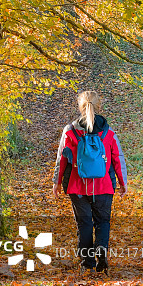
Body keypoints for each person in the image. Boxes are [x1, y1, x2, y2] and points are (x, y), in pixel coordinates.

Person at [52, 90, 127, 273]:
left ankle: (87, 263)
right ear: (99, 105)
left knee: (84, 224)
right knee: (103, 221)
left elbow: (62, 158)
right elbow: (118, 157)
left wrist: (57, 181)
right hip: (104, 186)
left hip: (77, 187)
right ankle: (101, 249)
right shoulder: (108, 132)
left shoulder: (70, 131)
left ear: (80, 106)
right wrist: (123, 182)